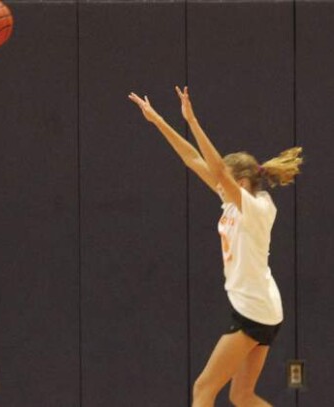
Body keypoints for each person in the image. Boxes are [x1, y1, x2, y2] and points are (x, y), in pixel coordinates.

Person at [129, 87, 303, 407]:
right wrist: (157, 120)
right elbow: (193, 159)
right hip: (260, 306)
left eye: (224, 179)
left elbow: (218, 170)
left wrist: (193, 121)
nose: (217, 182)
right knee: (241, 396)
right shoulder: (234, 200)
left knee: (203, 389)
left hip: (255, 310)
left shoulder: (257, 208)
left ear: (239, 182)